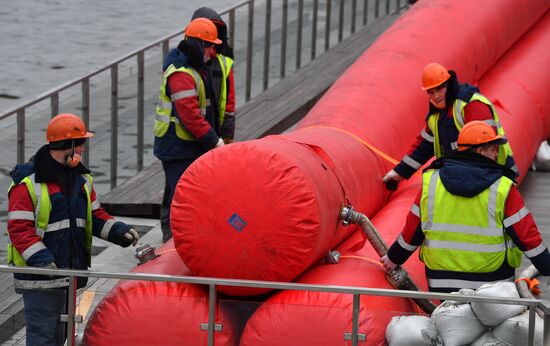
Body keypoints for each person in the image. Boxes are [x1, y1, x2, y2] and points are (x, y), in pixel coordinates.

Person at [7, 113, 139, 345]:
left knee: (60, 335)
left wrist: (120, 231)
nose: (82, 150)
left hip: (69, 274)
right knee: (43, 337)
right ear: (66, 145)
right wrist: (43, 261)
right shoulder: (27, 183)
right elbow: (19, 229)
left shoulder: (81, 179)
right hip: (41, 278)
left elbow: (95, 216)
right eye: (80, 145)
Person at [381, 121, 550, 293]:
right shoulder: (502, 188)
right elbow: (528, 237)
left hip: (441, 283)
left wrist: (393, 258)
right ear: (479, 150)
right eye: (493, 148)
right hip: (492, 285)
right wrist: (547, 268)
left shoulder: (431, 181)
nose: (497, 153)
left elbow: (413, 230)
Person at [159, 10, 237, 242]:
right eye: (209, 46)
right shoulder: (181, 72)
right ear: (197, 44)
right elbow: (190, 115)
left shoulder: (200, 66)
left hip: (194, 142)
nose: (213, 51)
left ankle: (187, 237)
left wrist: (222, 137)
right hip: (178, 145)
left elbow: (224, 103)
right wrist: (215, 141)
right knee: (181, 195)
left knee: (188, 192)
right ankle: (174, 241)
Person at [382, 62, 518, 189]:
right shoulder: (436, 116)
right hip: (463, 176)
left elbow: (485, 147)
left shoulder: (470, 104)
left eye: (439, 89)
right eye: (431, 92)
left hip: (495, 173)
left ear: (448, 84)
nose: (436, 96)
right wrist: (399, 172)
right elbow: (423, 147)